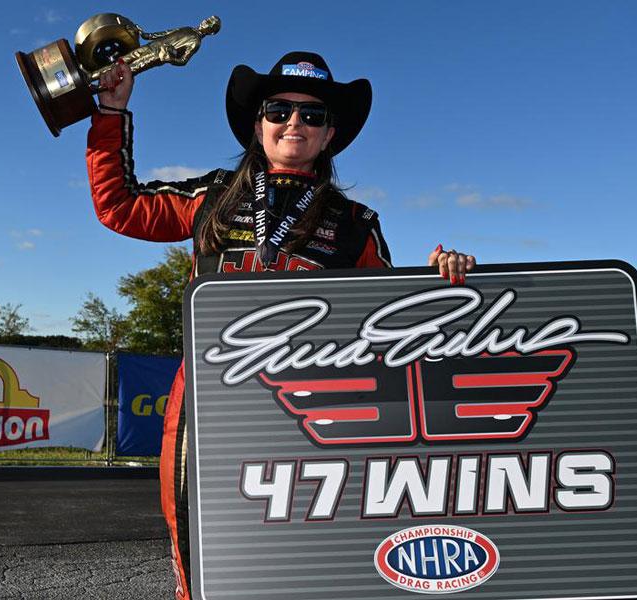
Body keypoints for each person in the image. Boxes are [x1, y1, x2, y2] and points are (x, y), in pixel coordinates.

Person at [84, 50, 476, 600]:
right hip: (206, 404)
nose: (294, 122)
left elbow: (395, 325)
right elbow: (118, 206)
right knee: (203, 549)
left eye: (312, 115)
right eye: (279, 110)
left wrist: (443, 278)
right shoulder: (211, 195)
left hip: (308, 415)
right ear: (258, 123)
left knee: (309, 556)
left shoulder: (356, 223)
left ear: (330, 134)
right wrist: (110, 110)